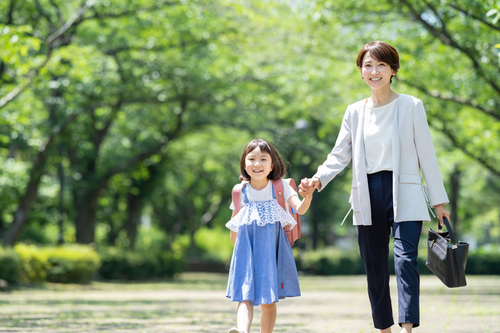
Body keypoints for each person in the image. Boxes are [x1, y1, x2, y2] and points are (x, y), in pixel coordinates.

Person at [299, 41, 450, 333]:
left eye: (381, 65)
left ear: (393, 70)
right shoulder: (354, 112)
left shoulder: (411, 105)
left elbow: (427, 156)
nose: (374, 71)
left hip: (405, 192)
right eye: (368, 65)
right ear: (360, 71)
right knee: (375, 267)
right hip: (367, 194)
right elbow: (339, 154)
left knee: (406, 260)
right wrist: (318, 179)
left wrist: (438, 201)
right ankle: (384, 328)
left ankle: (407, 327)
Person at [226, 139, 313, 333]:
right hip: (245, 251)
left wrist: (308, 196)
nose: (257, 163)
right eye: (252, 159)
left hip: (271, 251)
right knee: (244, 296)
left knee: (268, 302)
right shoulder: (239, 191)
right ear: (244, 164)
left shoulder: (281, 187)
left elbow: (299, 209)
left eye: (263, 159)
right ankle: (242, 331)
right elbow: (235, 228)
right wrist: (238, 257)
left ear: (272, 164)